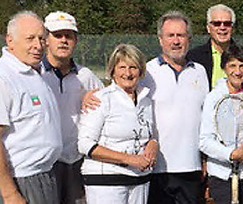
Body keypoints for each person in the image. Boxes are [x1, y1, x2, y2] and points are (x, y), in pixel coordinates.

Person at [82, 11, 209, 204]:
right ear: (160, 39)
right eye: (170, 35)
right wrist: (92, 95)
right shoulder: (147, 71)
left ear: (189, 39)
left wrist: (204, 159)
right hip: (154, 170)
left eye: (180, 35)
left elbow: (205, 118)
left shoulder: (200, 72)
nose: (176, 41)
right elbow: (121, 90)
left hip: (190, 168)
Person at [77, 44, 157, 204]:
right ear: (112, 70)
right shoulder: (101, 99)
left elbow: (149, 134)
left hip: (139, 179)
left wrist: (154, 144)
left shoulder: (146, 101)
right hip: (106, 181)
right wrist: (129, 159)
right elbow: (85, 145)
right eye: (122, 67)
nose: (127, 73)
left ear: (141, 71)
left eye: (133, 67)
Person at [41, 11, 104, 204]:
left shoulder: (86, 76)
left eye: (69, 36)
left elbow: (108, 104)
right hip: (45, 164)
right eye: (57, 35)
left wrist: (92, 97)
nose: (63, 41)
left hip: (77, 162)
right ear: (46, 40)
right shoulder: (36, 74)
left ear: (76, 40)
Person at [0, 11, 62, 204]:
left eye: (42, 39)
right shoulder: (4, 77)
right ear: (10, 41)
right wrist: (10, 193)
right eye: (30, 39)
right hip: (21, 180)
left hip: (45, 175)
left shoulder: (35, 72)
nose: (38, 45)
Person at [199, 44, 243, 204]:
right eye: (232, 65)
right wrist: (230, 154)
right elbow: (205, 141)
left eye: (242, 66)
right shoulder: (213, 98)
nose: (237, 71)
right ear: (224, 67)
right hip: (221, 176)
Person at [187, 4, 243, 88]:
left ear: (233, 28)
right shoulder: (194, 57)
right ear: (208, 28)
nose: (222, 27)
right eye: (217, 23)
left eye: (227, 23)